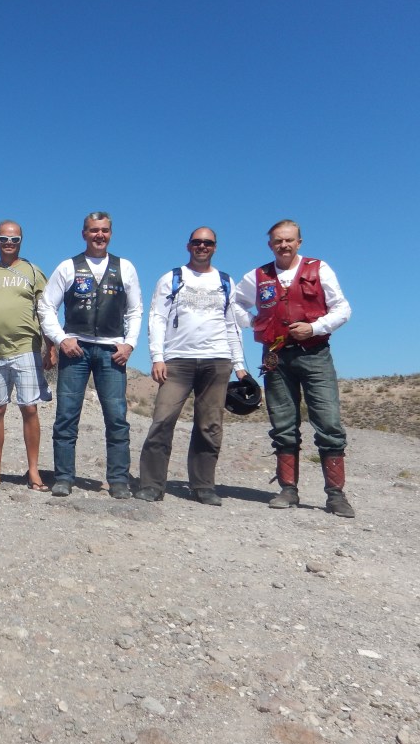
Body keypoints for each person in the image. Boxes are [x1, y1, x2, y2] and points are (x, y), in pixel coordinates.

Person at [232, 219, 354, 517]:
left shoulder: (319, 269)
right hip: (275, 357)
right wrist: (256, 323)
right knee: (283, 423)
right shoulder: (257, 276)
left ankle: (336, 495)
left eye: (289, 240)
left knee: (328, 422)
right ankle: (288, 490)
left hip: (315, 354)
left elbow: (343, 309)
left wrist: (314, 328)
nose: (283, 245)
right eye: (278, 241)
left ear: (299, 242)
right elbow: (234, 303)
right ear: (270, 245)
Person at [133, 227, 249, 506]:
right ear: (188, 246)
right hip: (178, 360)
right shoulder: (172, 278)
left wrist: (239, 364)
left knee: (210, 425)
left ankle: (203, 485)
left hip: (217, 359)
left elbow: (232, 325)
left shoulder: (225, 281)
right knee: (162, 420)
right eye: (197, 242)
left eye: (207, 243)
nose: (202, 246)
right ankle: (151, 485)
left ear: (215, 247)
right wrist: (157, 357)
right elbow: (157, 318)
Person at [38, 211, 143, 498]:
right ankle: (63, 477)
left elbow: (135, 310)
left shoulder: (125, 267)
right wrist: (61, 339)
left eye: (104, 230)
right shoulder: (68, 267)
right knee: (66, 416)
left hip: (112, 351)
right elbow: (46, 306)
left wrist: (130, 344)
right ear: (84, 233)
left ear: (111, 233)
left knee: (117, 417)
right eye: (94, 230)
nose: (100, 235)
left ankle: (118, 480)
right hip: (76, 349)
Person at [0, 220, 55, 491]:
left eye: (15, 239)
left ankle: (34, 471)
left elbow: (45, 310)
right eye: (5, 239)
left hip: (26, 348)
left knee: (29, 408)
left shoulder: (33, 271)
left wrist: (50, 347)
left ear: (21, 241)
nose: (9, 243)